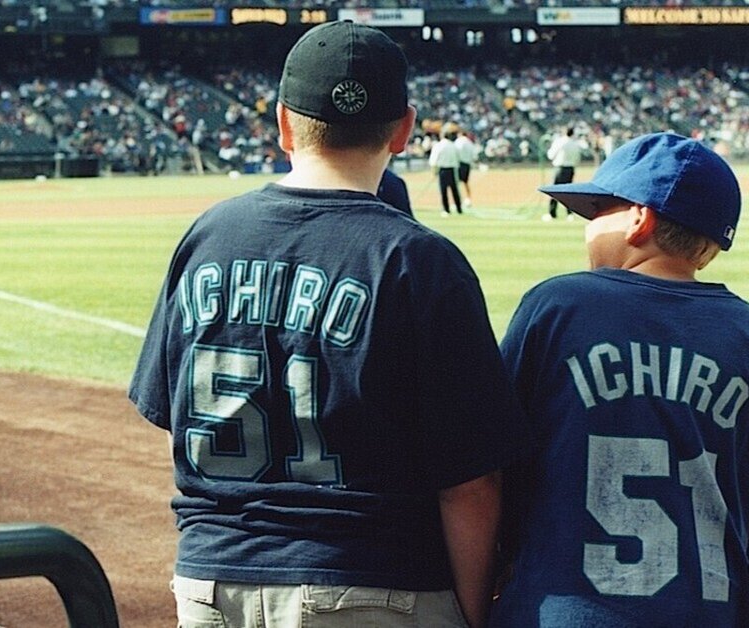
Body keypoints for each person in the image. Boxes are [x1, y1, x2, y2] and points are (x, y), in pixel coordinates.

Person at [129, 20, 521, 628]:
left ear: (284, 123)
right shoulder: (420, 260)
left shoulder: (208, 236)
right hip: (372, 584)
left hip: (212, 581)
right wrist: (473, 615)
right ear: (404, 131)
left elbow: (172, 416)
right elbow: (469, 483)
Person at [491, 132, 749, 627]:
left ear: (640, 218)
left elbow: (493, 466)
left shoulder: (558, 307)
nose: (588, 227)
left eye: (597, 212)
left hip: (563, 612)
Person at [545, 127, 582, 221]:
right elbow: (577, 158)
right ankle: (569, 214)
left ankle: (552, 213)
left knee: (554, 190)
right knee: (568, 191)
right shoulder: (575, 144)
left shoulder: (560, 142)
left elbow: (551, 155)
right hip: (570, 168)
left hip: (560, 168)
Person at [429, 121, 462, 216]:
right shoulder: (453, 145)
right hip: (452, 169)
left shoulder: (438, 146)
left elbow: (433, 161)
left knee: (444, 191)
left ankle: (446, 209)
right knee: (454, 190)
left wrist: (434, 171)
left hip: (442, 170)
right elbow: (457, 158)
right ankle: (459, 208)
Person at [455, 129, 479, 207]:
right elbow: (474, 156)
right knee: (465, 182)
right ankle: (468, 199)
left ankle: (458, 201)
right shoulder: (470, 143)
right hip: (467, 164)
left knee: (456, 183)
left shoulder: (459, 141)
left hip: (459, 163)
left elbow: (456, 151)